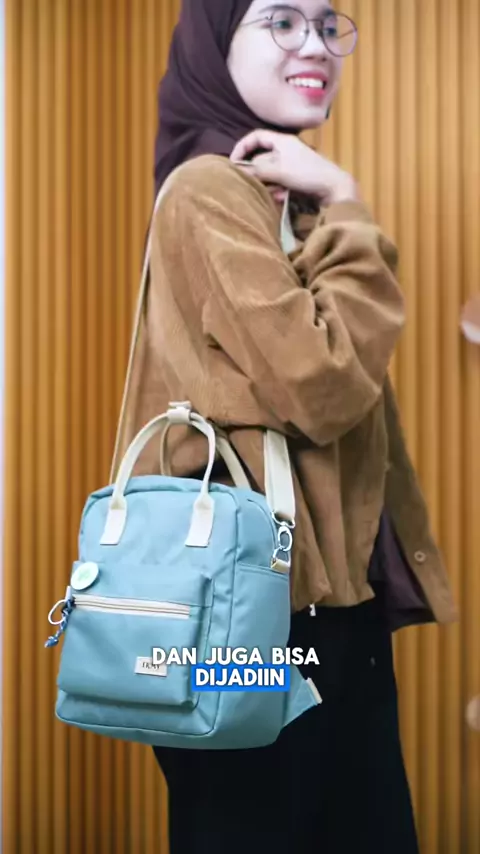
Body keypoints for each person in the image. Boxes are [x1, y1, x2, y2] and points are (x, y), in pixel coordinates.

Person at [120, 1, 458, 851]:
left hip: (324, 612)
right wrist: (348, 201)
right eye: (281, 21)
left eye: (327, 23)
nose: (315, 44)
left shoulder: (284, 204)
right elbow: (325, 385)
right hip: (258, 620)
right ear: (214, 45)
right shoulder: (207, 191)